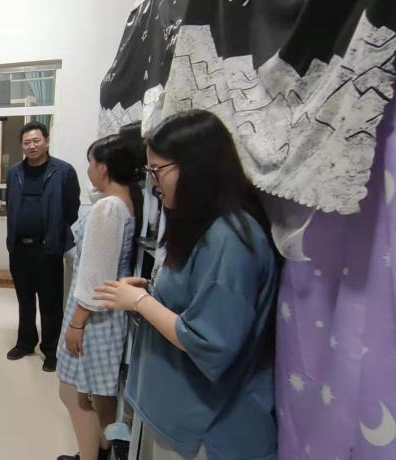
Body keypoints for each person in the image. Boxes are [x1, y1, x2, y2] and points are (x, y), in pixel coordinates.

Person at [95, 110, 280, 460]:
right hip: (187, 415)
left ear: (196, 167)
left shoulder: (231, 240)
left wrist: (140, 302)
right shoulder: (202, 227)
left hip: (215, 428)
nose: (153, 183)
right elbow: (189, 306)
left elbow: (209, 342)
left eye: (157, 170)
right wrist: (146, 295)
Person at [55, 129, 145, 460]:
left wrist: (76, 324)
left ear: (104, 168)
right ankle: (101, 450)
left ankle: (91, 454)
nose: (89, 170)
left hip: (93, 314)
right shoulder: (128, 202)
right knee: (97, 391)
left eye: (91, 163)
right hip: (107, 311)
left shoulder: (108, 208)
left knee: (75, 393)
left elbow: (95, 274)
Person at [5, 121, 81, 372]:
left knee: (50, 303)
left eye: (36, 141)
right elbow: (10, 204)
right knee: (24, 299)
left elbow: (71, 209)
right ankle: (26, 342)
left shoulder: (63, 171)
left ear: (47, 142)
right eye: (26, 142)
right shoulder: (14, 173)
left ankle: (51, 350)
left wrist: (54, 230)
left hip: (48, 248)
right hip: (19, 248)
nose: (31, 146)